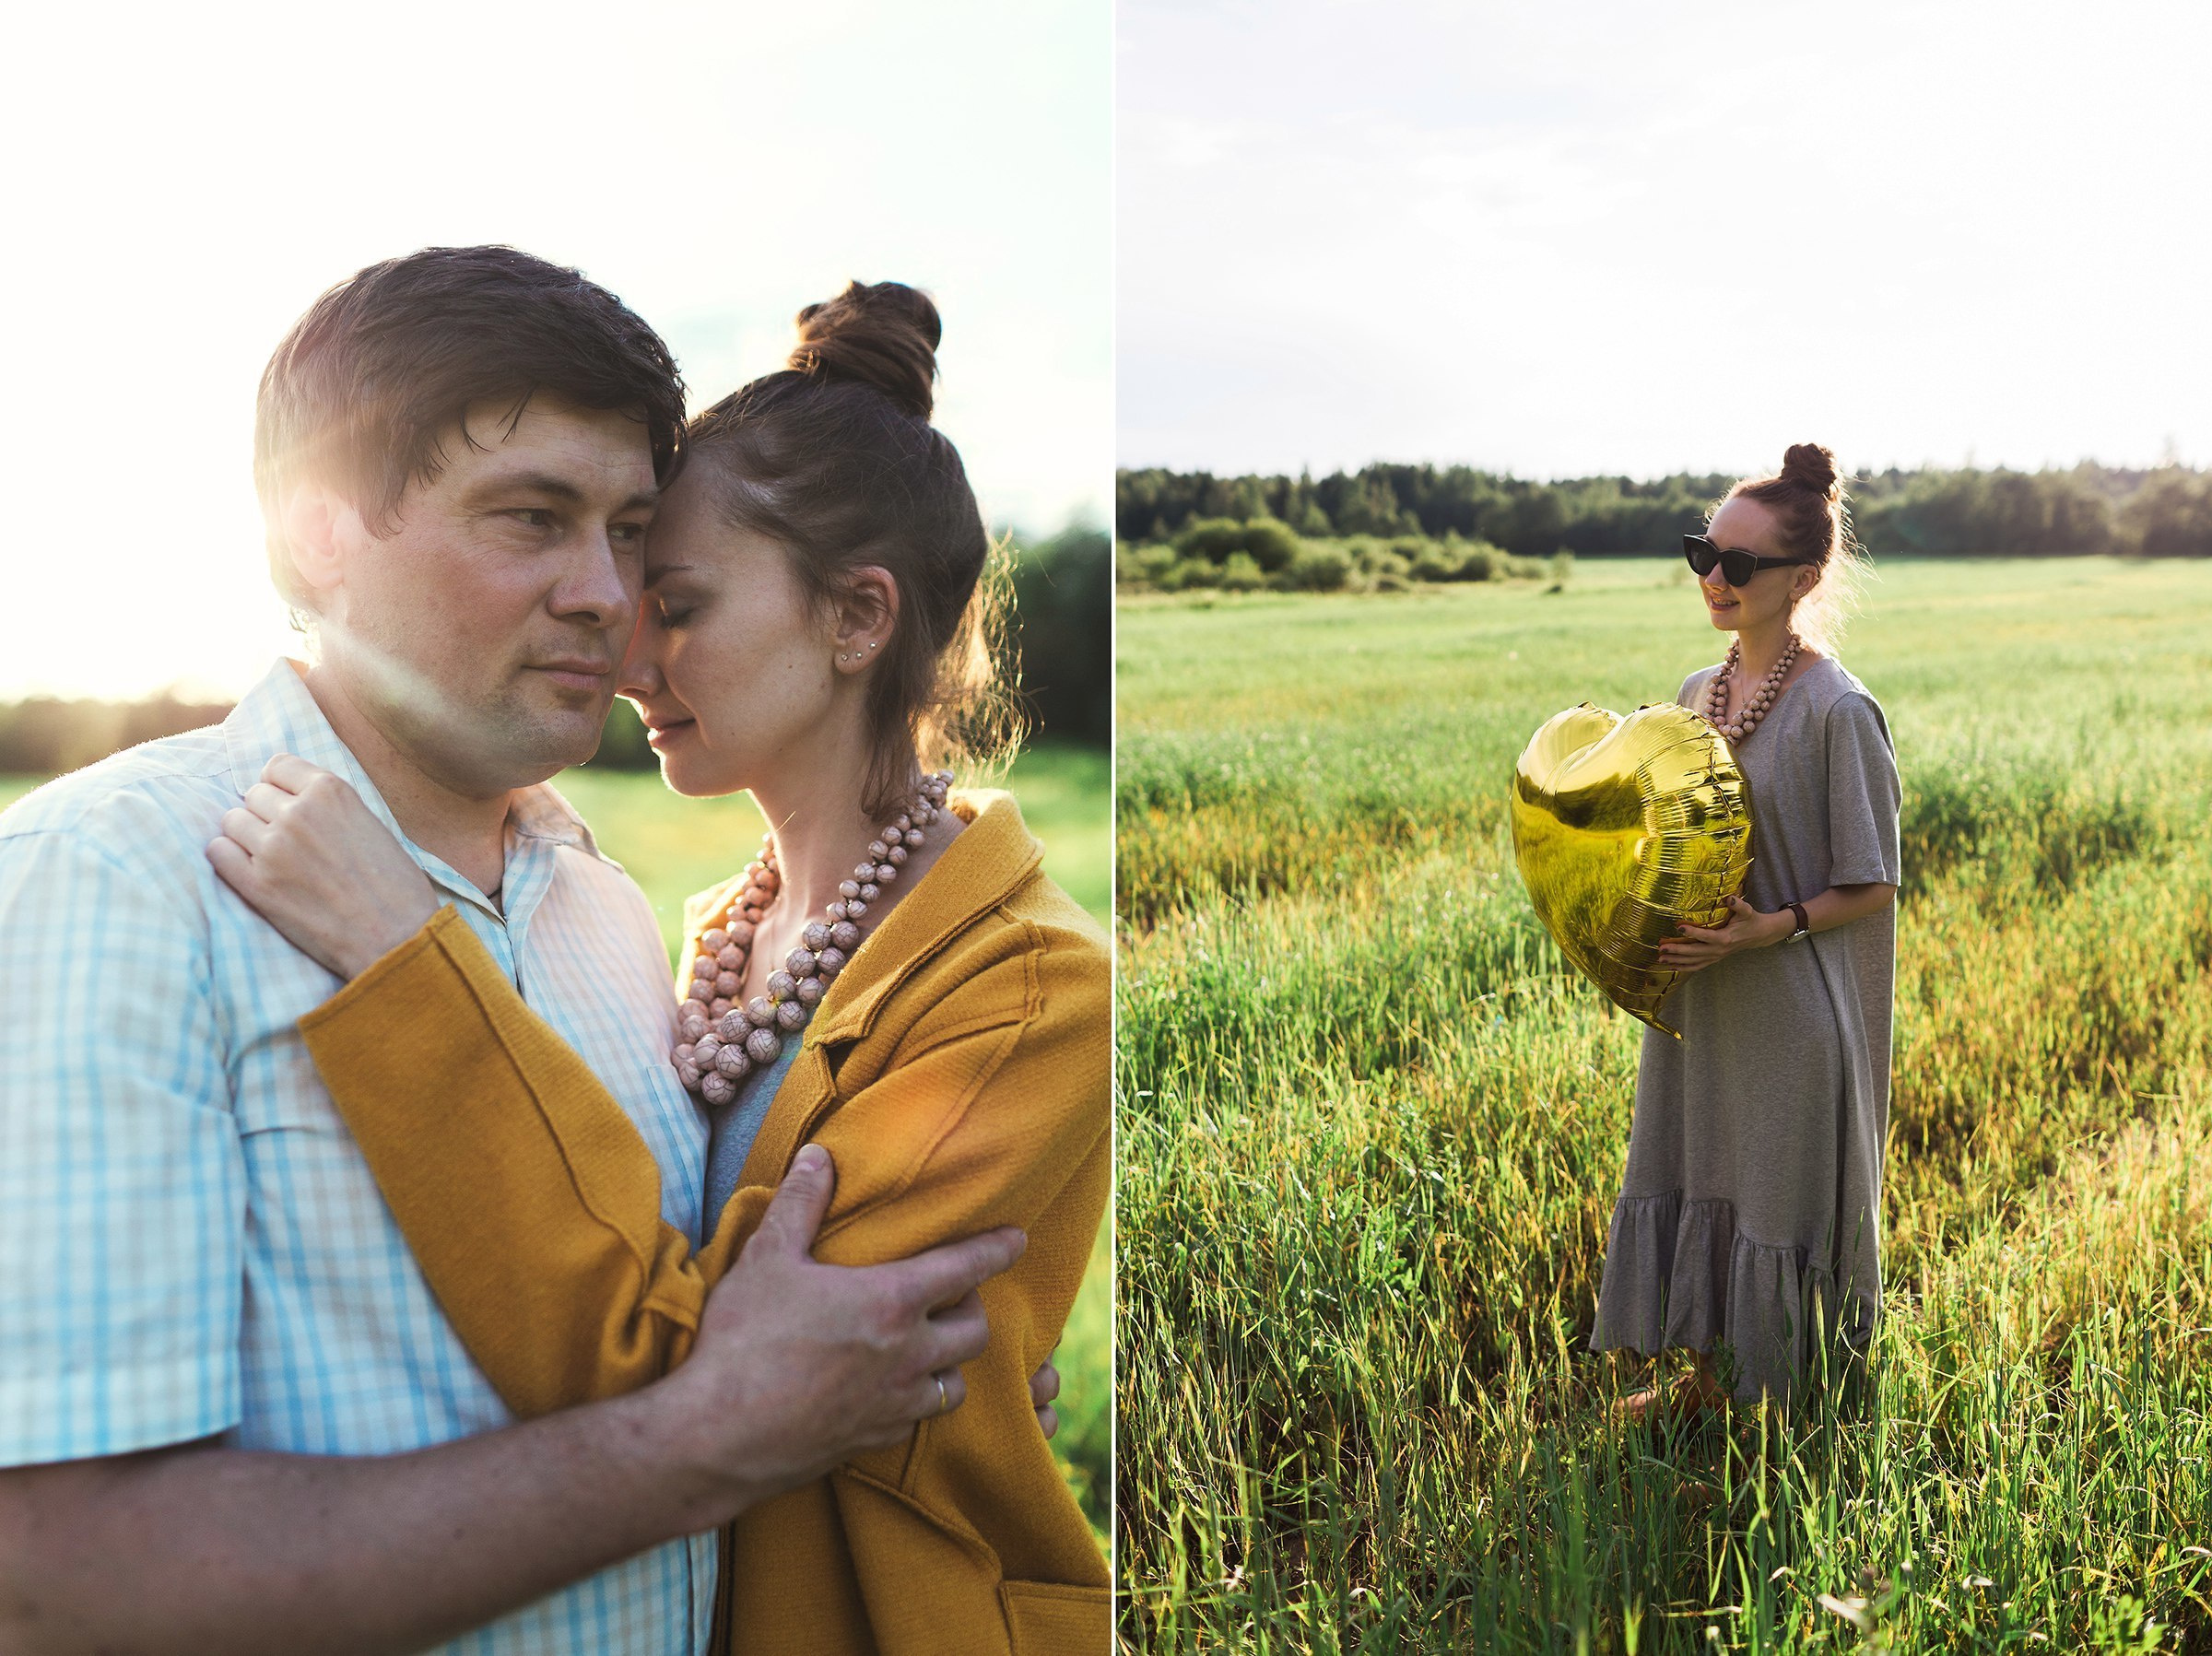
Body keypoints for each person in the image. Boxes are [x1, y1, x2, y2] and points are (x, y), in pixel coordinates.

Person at [0, 248, 1039, 1656]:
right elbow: (55, 1580)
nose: (607, 594)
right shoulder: (118, 873)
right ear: (319, 534)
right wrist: (709, 1440)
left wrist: (931, 1389)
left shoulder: (606, 904)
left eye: (628, 530)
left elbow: (727, 1315)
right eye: (532, 518)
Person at [1590, 442, 1901, 1415]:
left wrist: (1765, 929)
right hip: (1701, 991)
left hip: (1788, 1003)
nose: (1714, 579)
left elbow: (1875, 882)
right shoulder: (1696, 692)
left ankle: (1786, 1410)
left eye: (1740, 564)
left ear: (1802, 580)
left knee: (1776, 1195)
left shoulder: (1837, 709)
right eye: (1703, 553)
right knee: (1698, 1171)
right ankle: (1707, 1384)